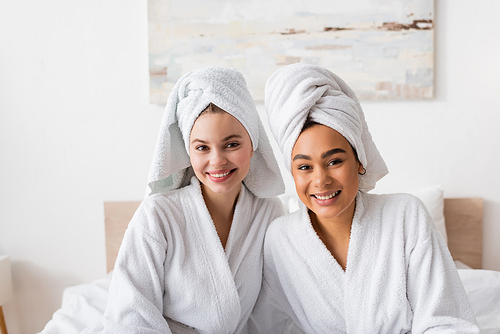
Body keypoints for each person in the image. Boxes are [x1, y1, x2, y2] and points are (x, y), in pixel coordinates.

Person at [248, 63, 480, 333]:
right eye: (304, 167)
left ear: (360, 161)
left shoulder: (405, 215)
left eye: (334, 161)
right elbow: (266, 326)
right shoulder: (280, 238)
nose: (320, 180)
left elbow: (447, 320)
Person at [82, 67, 285, 333]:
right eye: (202, 147)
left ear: (253, 142)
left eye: (232, 144)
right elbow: (130, 318)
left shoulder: (268, 213)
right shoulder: (157, 216)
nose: (217, 160)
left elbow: (272, 311)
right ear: (188, 150)